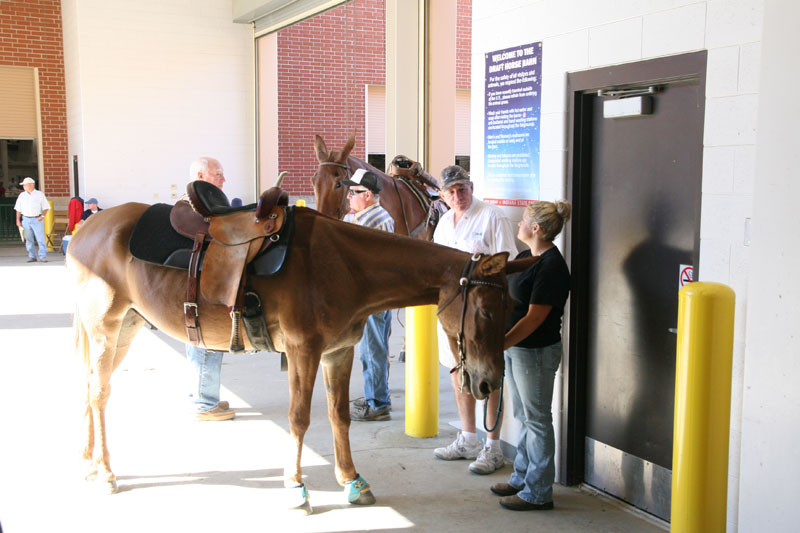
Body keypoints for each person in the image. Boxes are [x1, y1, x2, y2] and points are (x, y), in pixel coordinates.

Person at [432, 165, 518, 474]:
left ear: (471, 186)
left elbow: (507, 264)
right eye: (451, 192)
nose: (458, 196)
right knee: (458, 373)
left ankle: (492, 447)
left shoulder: (491, 217)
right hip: (453, 315)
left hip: (482, 316)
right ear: (443, 195)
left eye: (462, 189)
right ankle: (468, 438)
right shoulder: (443, 223)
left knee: (488, 376)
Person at [491, 200, 571, 511]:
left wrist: (502, 344)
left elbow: (534, 318)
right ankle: (521, 477)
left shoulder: (551, 266)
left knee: (537, 420)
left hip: (535, 352)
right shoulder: (527, 257)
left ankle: (538, 493)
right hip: (518, 350)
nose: (519, 224)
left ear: (536, 228)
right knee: (523, 417)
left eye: (524, 220)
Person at [341, 169, 395, 421]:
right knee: (372, 348)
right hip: (373, 294)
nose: (349, 196)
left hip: (372, 295)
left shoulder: (371, 219)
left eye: (354, 192)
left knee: (372, 349)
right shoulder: (364, 216)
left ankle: (378, 403)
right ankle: (377, 396)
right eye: (349, 191)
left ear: (370, 196)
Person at [183, 156, 234, 421]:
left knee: (198, 343)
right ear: (201, 176)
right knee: (208, 339)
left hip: (195, 292)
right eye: (218, 174)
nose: (223, 179)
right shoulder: (198, 210)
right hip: (201, 293)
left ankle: (200, 394)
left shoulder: (194, 206)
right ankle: (205, 403)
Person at [14, 177, 50, 263]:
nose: (24, 187)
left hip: (37, 219)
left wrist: (42, 216)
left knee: (40, 238)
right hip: (26, 219)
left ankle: (43, 256)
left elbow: (46, 207)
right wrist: (18, 220)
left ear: (31, 185)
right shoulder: (22, 195)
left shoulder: (39, 194)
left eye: (25, 185)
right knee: (28, 239)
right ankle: (32, 256)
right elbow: (18, 209)